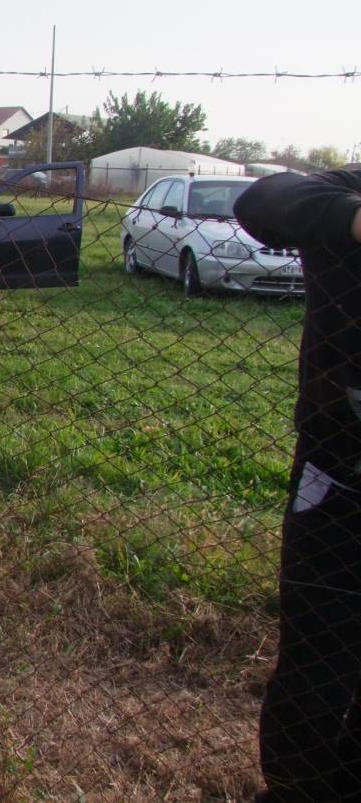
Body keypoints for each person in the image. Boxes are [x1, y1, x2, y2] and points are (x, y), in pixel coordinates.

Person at [234, 168, 361, 802]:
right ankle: (293, 791)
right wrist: (352, 219)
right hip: (340, 482)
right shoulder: (344, 193)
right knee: (318, 660)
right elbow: (261, 199)